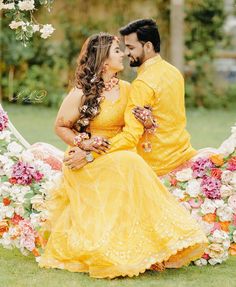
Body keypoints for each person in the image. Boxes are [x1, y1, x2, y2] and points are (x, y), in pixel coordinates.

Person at [38, 32, 208, 279]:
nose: (124, 54)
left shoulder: (128, 90)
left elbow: (133, 130)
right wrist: (83, 143)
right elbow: (61, 126)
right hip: (86, 157)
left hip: (117, 151)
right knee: (128, 163)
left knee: (129, 161)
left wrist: (148, 123)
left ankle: (152, 247)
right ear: (104, 61)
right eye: (117, 51)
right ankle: (117, 250)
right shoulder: (82, 92)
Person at [65, 19, 196, 177]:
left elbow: (130, 137)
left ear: (147, 46)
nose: (126, 53)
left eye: (131, 48)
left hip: (155, 164)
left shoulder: (141, 84)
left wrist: (90, 155)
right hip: (183, 152)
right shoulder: (174, 72)